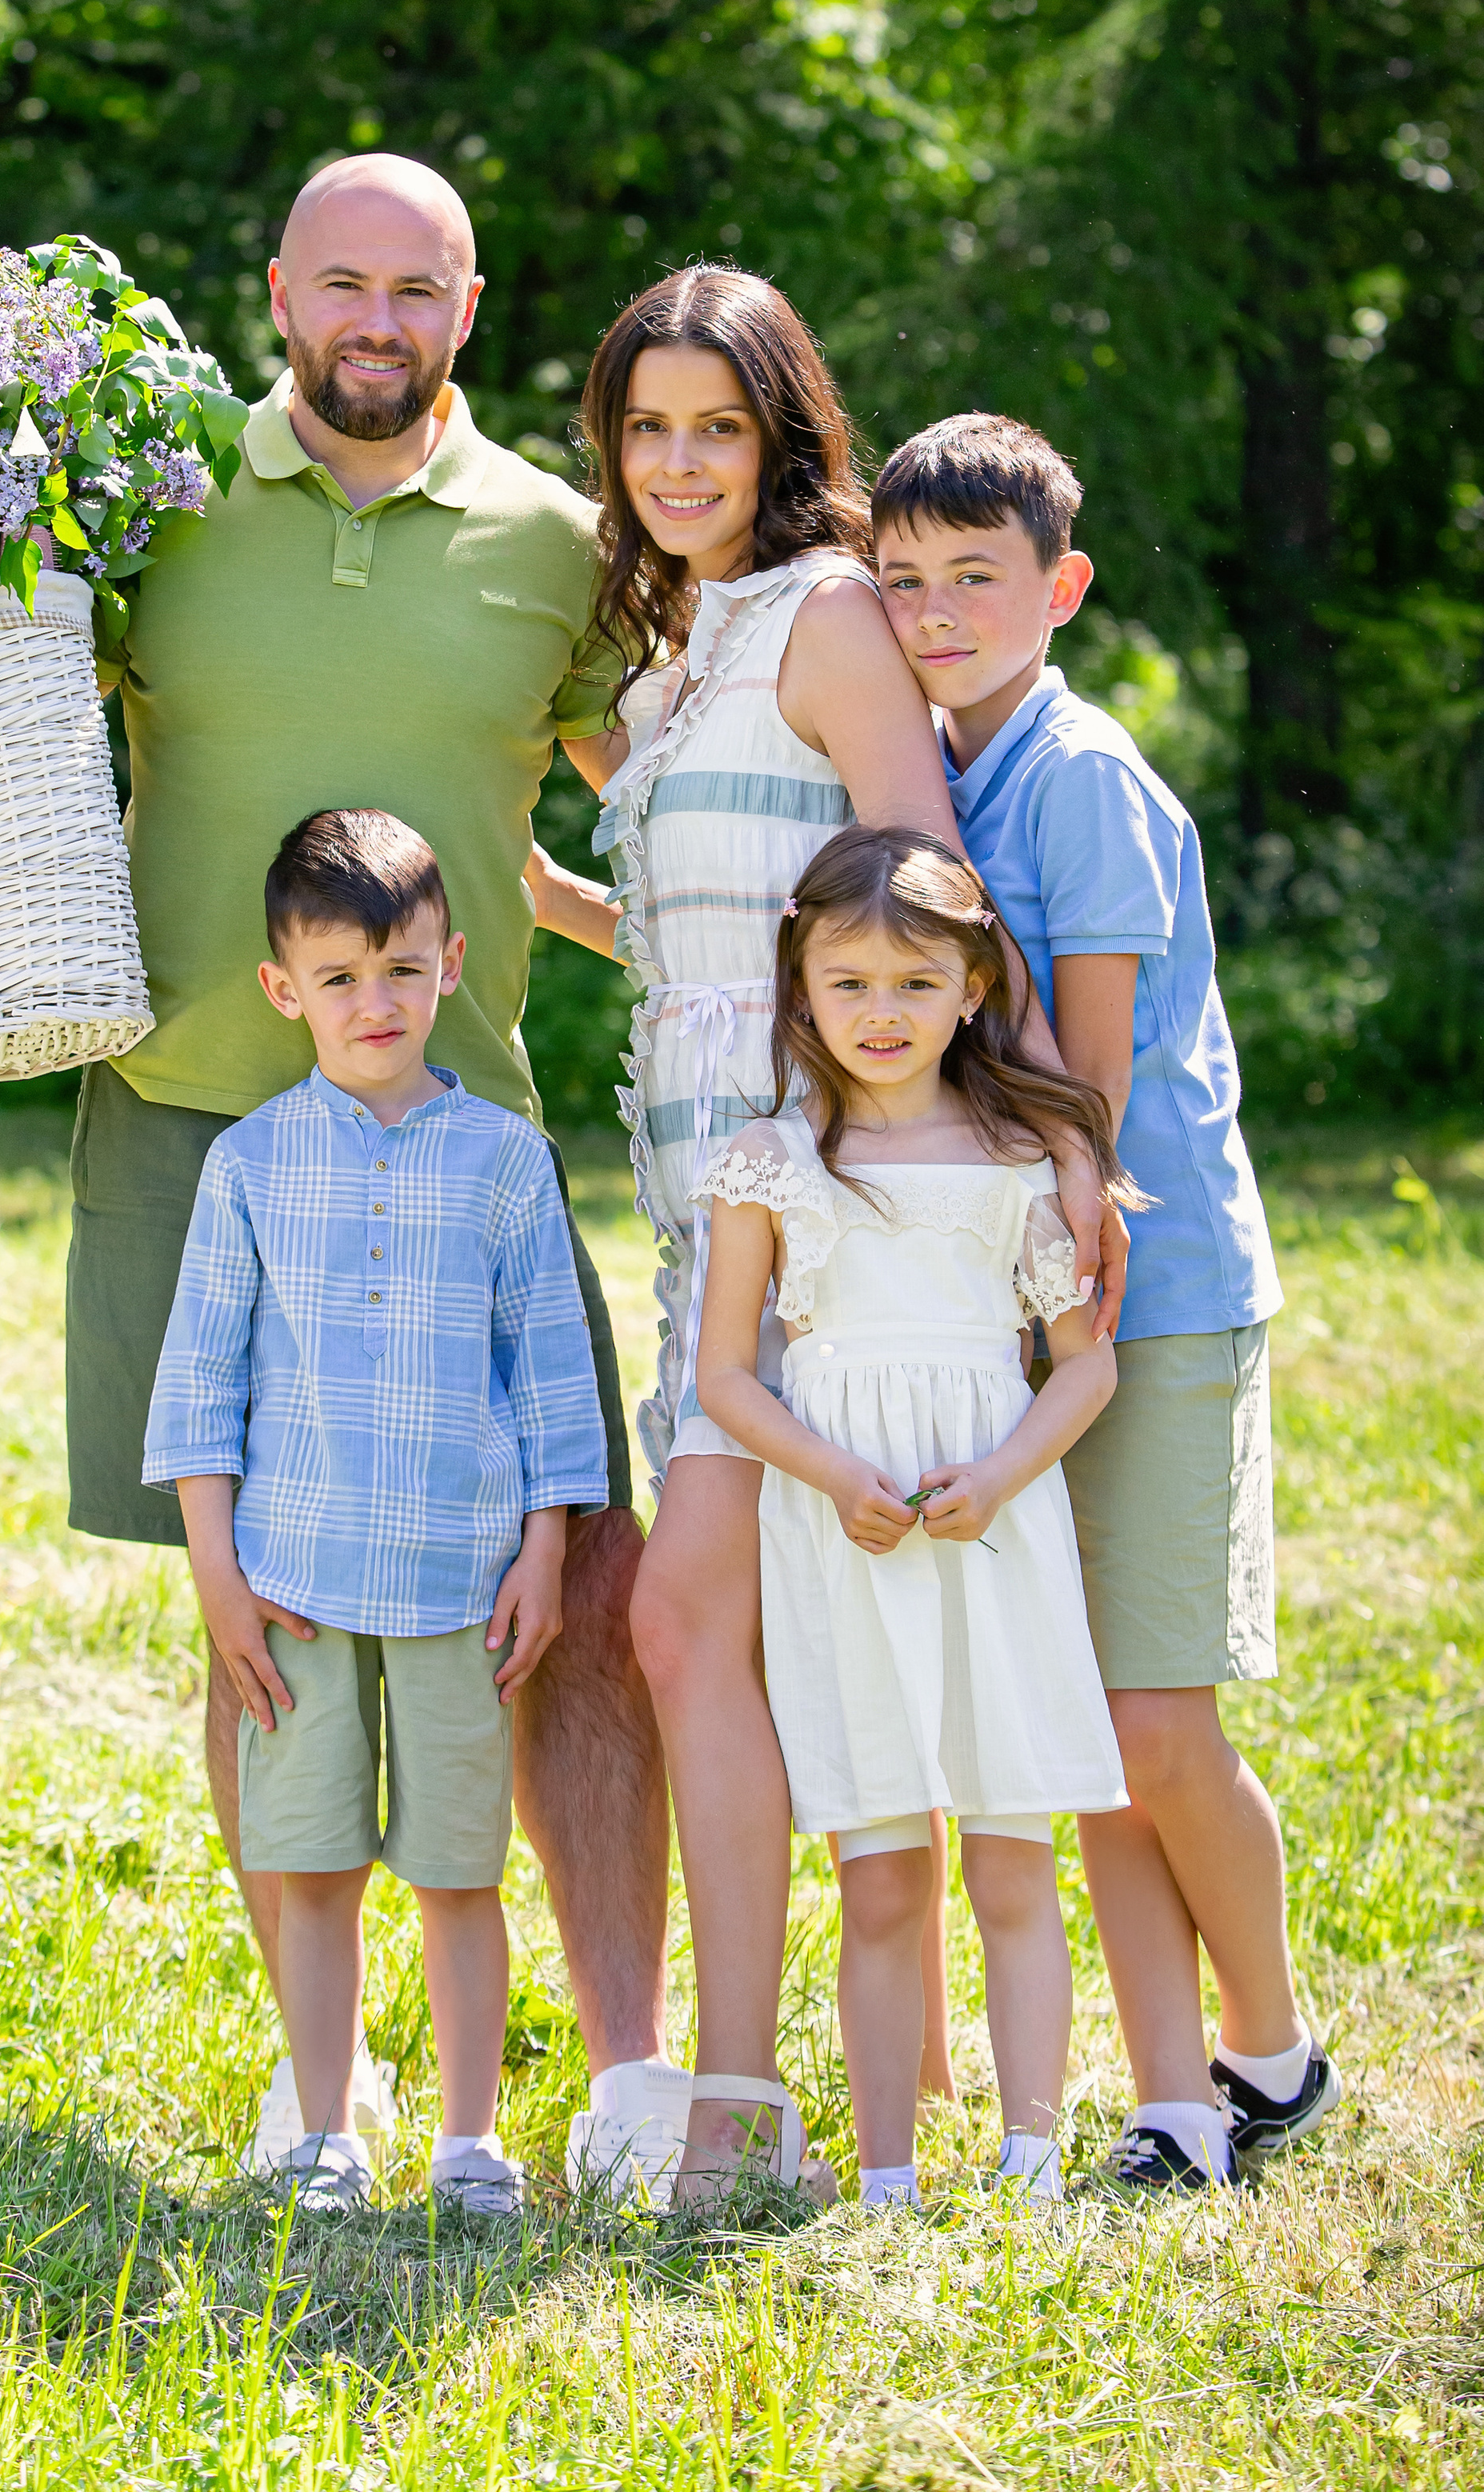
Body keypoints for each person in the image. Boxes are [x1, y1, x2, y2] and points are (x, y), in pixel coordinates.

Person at [0, 154, 678, 2196]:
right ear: (277, 287)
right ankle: (335, 2081)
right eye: (340, 285)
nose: (373, 323)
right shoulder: (144, 501)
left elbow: (608, 816)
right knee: (263, 1614)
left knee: (579, 1600)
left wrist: (746, 941)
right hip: (188, 1115)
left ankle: (633, 2071)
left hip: (462, 1133)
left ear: (469, 308)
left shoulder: (560, 544)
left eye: (417, 291)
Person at [542, 266, 1127, 2200]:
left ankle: (732, 2096)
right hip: (699, 1201)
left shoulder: (826, 619)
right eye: (647, 428)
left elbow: (925, 888)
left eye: (719, 424)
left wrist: (1051, 1131)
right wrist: (524, 884)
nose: (680, 460)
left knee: (687, 1616)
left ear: (782, 439)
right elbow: (709, 938)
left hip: (833, 1205)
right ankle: (857, 2066)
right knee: (731, 1616)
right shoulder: (675, 657)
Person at [871, 411, 1337, 2192]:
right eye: (901, 581)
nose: (932, 611)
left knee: (1155, 1718)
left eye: (971, 578)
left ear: (1057, 587)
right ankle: (1169, 2091)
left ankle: (1270, 2047)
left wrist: (1046, 1252)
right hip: (1032, 1296)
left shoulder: (1077, 773)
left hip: (1149, 1285)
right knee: (1087, 1721)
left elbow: (1095, 1063)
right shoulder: (938, 767)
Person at [143, 812, 606, 2212]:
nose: (376, 1004)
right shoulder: (253, 1166)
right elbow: (199, 1384)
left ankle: (471, 2142)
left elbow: (550, 1374)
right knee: (315, 1865)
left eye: (403, 971)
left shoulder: (506, 1162)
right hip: (293, 1583)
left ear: (452, 965)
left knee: (462, 1869)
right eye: (339, 978)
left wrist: (546, 1548)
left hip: (466, 1581)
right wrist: (217, 1577)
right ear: (285, 989)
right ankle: (326, 2132)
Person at [696, 826, 1140, 2204]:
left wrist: (1001, 1476)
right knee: (883, 1871)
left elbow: (1086, 1363)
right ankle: (885, 2174)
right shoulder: (770, 1161)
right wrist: (834, 1477)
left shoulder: (1022, 1155)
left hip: (992, 1530)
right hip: (845, 1535)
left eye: (912, 983)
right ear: (801, 991)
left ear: (969, 988)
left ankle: (1031, 2158)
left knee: (1012, 1860)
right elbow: (724, 1376)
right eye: (849, 985)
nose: (880, 1015)